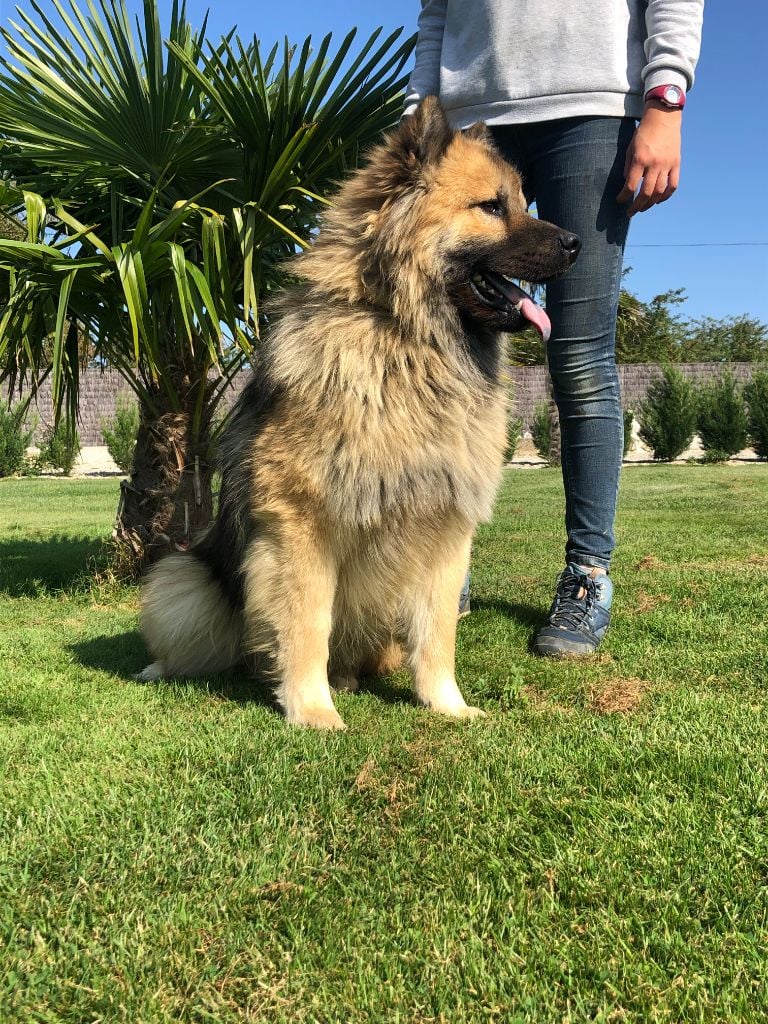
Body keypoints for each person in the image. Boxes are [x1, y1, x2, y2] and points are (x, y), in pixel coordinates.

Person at [404, 0, 704, 656]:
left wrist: (666, 98)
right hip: (469, 118)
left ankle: (587, 575)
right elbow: (435, 14)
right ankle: (436, 570)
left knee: (579, 354)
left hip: (589, 107)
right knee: (431, 356)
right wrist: (417, 113)